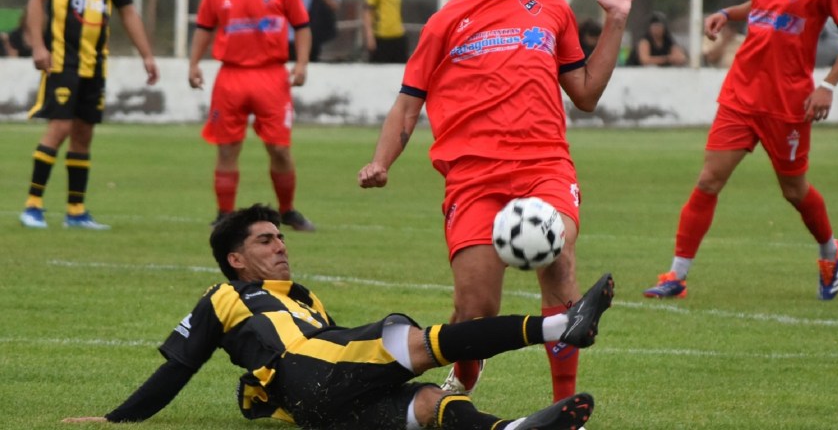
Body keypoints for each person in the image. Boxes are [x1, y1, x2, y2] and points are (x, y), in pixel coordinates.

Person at [358, 0, 636, 404]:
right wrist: (382, 162)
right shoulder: (444, 22)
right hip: (473, 178)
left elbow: (587, 93)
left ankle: (562, 404)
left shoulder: (549, 7)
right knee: (475, 308)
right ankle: (465, 376)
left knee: (560, 263)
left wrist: (615, 20)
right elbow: (407, 103)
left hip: (544, 166)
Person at [61, 204, 615, 429]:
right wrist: (115, 419)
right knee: (417, 341)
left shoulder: (305, 299)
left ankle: (509, 429)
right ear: (236, 260)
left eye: (280, 237)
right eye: (265, 241)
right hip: (307, 367)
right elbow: (177, 366)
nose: (280, 246)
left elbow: (326, 356)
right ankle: (561, 327)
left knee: (427, 402)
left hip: (318, 403)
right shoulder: (223, 298)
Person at [643, 0, 838, 301]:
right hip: (741, 96)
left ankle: (832, 251)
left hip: (788, 106)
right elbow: (761, 3)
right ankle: (676, 275)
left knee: (794, 191)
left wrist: (827, 84)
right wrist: (727, 14)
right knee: (709, 180)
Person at [18, 0, 159, 230]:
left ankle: (76, 211)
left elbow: (128, 12)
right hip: (61, 58)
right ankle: (33, 205)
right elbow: (36, 0)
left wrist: (147, 55)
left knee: (84, 133)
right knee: (60, 127)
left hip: (95, 62)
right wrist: (37, 45)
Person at [188, 0, 315, 231]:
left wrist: (301, 64)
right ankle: (224, 214)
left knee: (280, 148)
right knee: (228, 147)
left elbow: (301, 27)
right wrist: (193, 64)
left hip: (271, 76)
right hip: (231, 76)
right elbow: (204, 28)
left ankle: (288, 210)